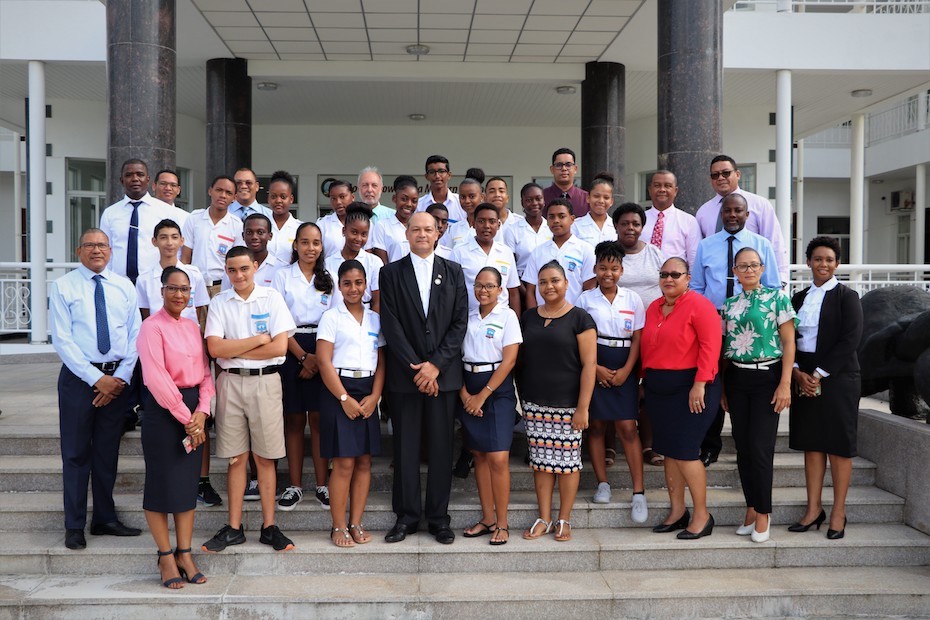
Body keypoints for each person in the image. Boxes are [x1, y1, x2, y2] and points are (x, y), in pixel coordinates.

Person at [50, 228, 143, 550]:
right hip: (79, 382)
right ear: (79, 251)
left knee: (106, 454)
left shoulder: (124, 287)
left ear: (111, 250)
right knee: (76, 455)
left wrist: (119, 379)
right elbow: (62, 339)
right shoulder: (63, 287)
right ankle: (74, 524)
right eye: (89, 245)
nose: (96, 250)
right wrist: (95, 379)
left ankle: (104, 518)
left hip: (116, 381)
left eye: (102, 245)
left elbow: (135, 336)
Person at [379, 212, 468, 545]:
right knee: (405, 448)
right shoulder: (390, 273)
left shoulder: (454, 271)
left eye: (428, 229)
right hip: (407, 377)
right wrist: (418, 366)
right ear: (406, 232)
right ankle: (406, 516)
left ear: (437, 233)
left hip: (442, 378)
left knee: (442, 448)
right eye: (415, 229)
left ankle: (438, 518)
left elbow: (459, 323)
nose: (421, 234)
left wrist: (436, 366)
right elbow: (391, 323)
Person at [201, 246, 297, 554]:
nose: (238, 275)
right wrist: (257, 340)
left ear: (255, 267)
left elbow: (280, 347)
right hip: (230, 383)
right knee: (236, 458)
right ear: (226, 271)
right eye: (232, 270)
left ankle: (269, 527)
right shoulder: (219, 303)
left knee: (266, 458)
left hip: (266, 383)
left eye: (244, 268)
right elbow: (215, 349)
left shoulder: (271, 299)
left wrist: (234, 348)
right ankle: (234, 527)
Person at [136, 267, 214, 588]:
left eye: (185, 290)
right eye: (173, 288)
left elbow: (206, 374)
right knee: (160, 484)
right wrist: (188, 419)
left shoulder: (194, 327)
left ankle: (184, 552)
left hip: (193, 410)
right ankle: (165, 556)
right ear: (162, 290)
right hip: (163, 412)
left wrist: (203, 412)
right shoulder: (151, 328)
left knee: (186, 486)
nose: (179, 295)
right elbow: (156, 378)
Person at [691, 192, 781, 467]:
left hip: (751, 327)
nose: (732, 215)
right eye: (727, 211)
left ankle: (750, 445)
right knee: (713, 382)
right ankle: (710, 445)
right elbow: (696, 287)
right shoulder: (706, 246)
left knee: (742, 384)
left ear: (747, 215)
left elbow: (773, 286)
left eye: (737, 211)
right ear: (721, 214)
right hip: (713, 323)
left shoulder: (760, 245)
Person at [788, 236, 863, 540]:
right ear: (808, 262)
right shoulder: (797, 297)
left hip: (839, 379)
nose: (823, 264)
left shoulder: (848, 297)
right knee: (812, 444)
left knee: (839, 447)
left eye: (829, 260)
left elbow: (850, 339)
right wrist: (796, 373)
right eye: (818, 259)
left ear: (838, 264)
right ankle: (813, 509)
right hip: (803, 377)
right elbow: (788, 338)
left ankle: (838, 512)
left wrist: (817, 373)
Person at [642, 257, 722, 540]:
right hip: (658, 388)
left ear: (688, 278)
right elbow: (647, 346)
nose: (669, 279)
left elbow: (711, 347)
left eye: (676, 274)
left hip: (692, 387)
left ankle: (702, 515)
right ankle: (678, 511)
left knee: (687, 452)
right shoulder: (653, 308)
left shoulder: (700, 305)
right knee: (669, 452)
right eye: (664, 274)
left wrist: (700, 384)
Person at [722, 247, 796, 543]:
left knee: (761, 447)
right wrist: (725, 388)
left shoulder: (777, 298)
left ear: (763, 268)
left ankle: (764, 514)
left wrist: (785, 383)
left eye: (754, 265)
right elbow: (725, 348)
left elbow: (789, 343)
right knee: (743, 447)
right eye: (743, 266)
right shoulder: (729, 304)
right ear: (735, 271)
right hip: (737, 377)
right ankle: (751, 508)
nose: (749, 270)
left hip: (768, 377)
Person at [519, 260, 596, 542]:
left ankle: (564, 518)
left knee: (567, 463)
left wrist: (583, 407)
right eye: (542, 282)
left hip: (568, 405)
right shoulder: (528, 318)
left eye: (554, 281)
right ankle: (544, 517)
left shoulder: (580, 318)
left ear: (566, 283)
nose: (548, 286)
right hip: (535, 403)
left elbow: (589, 365)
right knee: (540, 462)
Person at [576, 242, 648, 522]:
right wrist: (596, 370)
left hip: (624, 366)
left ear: (622, 269)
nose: (608, 273)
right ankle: (602, 484)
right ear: (595, 269)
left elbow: (638, 339)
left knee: (628, 427)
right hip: (595, 364)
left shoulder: (632, 299)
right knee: (595, 426)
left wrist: (628, 370)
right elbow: (580, 341)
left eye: (614, 268)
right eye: (603, 267)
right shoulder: (585, 300)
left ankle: (638, 492)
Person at [316, 260, 386, 547]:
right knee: (343, 462)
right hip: (339, 390)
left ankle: (356, 522)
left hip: (368, 390)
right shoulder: (331, 317)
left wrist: (375, 396)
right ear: (339, 285)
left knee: (364, 461)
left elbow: (382, 362)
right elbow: (323, 360)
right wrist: (344, 398)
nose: (353, 289)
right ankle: (339, 525)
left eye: (359, 283)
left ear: (366, 285)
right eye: (347, 283)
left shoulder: (375, 319)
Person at [270, 222, 334, 511]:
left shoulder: (329, 277)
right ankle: (294, 486)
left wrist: (318, 360)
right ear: (295, 245)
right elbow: (279, 322)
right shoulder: (282, 276)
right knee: (294, 420)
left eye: (316, 243)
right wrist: (302, 357)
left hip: (323, 349)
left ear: (322, 247)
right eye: (305, 242)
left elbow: (334, 320)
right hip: (291, 349)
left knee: (319, 420)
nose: (310, 248)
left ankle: (322, 485)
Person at [458, 267, 522, 546]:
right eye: (479, 285)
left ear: (500, 289)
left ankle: (503, 523)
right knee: (480, 457)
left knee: (498, 458)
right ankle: (487, 518)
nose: (483, 291)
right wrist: (464, 395)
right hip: (468, 386)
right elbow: (454, 356)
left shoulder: (507, 317)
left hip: (496, 390)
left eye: (490, 286)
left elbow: (509, 361)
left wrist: (482, 396)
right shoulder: (466, 317)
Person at [613, 202, 666, 467]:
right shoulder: (609, 254)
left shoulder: (655, 254)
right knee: (614, 386)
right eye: (625, 223)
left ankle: (648, 444)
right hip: (616, 334)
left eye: (635, 223)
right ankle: (610, 445)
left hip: (652, 332)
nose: (630, 228)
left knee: (647, 389)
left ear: (642, 227)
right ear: (616, 226)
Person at [695, 155, 788, 282]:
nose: (721, 178)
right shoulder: (703, 212)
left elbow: (774, 244)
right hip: (715, 292)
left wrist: (781, 279)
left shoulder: (760, 205)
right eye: (715, 175)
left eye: (726, 173)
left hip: (752, 290)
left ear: (738, 174)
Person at [99, 159, 172, 284]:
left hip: (155, 282)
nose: (135, 179)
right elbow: (105, 250)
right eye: (129, 175)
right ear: (121, 180)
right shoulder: (110, 213)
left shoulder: (165, 211)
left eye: (140, 174)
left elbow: (174, 249)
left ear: (148, 179)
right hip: (118, 283)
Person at [522, 198, 596, 308]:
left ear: (572, 219)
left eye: (561, 216)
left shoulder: (585, 250)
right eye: (551, 217)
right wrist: (533, 318)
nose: (556, 220)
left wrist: (581, 318)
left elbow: (589, 290)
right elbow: (531, 291)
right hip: (543, 317)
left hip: (574, 316)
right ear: (546, 220)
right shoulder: (538, 252)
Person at [450, 202, 520, 312]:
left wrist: (516, 321)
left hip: (501, 318)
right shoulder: (459, 252)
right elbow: (451, 291)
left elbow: (513, 292)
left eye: (492, 221)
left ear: (498, 225)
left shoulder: (506, 252)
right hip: (469, 318)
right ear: (473, 224)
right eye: (481, 221)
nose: (486, 226)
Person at [181, 175, 244, 298]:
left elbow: (238, 261)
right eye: (219, 190)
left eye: (228, 192)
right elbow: (185, 257)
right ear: (210, 191)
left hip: (223, 287)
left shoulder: (237, 225)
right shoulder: (194, 218)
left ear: (234, 198)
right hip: (195, 286)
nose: (223, 195)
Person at [137, 219, 209, 323]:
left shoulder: (194, 274)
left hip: (188, 334)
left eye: (174, 237)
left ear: (182, 241)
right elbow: (146, 316)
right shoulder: (144, 279)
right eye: (163, 238)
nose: (169, 243)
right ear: (154, 241)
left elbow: (198, 310)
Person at [324, 204, 384, 313]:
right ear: (344, 231)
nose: (358, 238)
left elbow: (378, 302)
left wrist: (372, 325)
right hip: (335, 319)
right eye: (354, 232)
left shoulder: (374, 262)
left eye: (364, 234)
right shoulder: (328, 263)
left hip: (366, 318)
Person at [640, 170, 699, 268]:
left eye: (667, 186)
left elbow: (694, 259)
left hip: (674, 279)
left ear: (675, 191)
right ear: (650, 190)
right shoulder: (639, 220)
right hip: (643, 280)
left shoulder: (689, 221)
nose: (662, 189)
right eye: (657, 185)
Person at [221, 213, 285, 290]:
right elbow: (225, 296)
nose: (254, 237)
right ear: (243, 236)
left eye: (260, 232)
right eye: (249, 232)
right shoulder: (232, 266)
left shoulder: (281, 268)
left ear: (270, 236)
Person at [371, 175, 418, 264]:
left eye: (414, 201)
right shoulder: (382, 226)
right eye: (404, 199)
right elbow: (382, 264)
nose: (409, 204)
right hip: (393, 277)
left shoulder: (420, 226)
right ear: (394, 199)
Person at [318, 179, 362, 259]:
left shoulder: (363, 222)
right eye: (333, 198)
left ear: (352, 197)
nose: (338, 202)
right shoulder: (323, 225)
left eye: (342, 197)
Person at [266, 170, 303, 264]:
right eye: (273, 196)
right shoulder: (261, 226)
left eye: (283, 197)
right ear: (268, 198)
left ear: (291, 199)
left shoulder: (300, 228)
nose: (278, 200)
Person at [571, 173, 618, 247]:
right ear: (588, 198)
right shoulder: (575, 225)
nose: (601, 201)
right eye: (596, 196)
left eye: (606, 197)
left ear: (611, 201)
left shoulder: (616, 226)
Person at [416, 155, 466, 224]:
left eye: (441, 171)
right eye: (432, 172)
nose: (437, 176)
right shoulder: (419, 205)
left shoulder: (461, 203)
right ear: (426, 176)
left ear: (449, 175)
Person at [543, 147, 589, 217]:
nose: (564, 168)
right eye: (559, 165)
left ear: (575, 169)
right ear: (552, 169)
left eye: (568, 165)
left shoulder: (587, 199)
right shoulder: (541, 198)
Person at [443, 176, 483, 249]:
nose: (467, 201)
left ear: (482, 197)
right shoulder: (455, 228)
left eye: (472, 196)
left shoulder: (491, 225)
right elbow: (449, 255)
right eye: (463, 197)